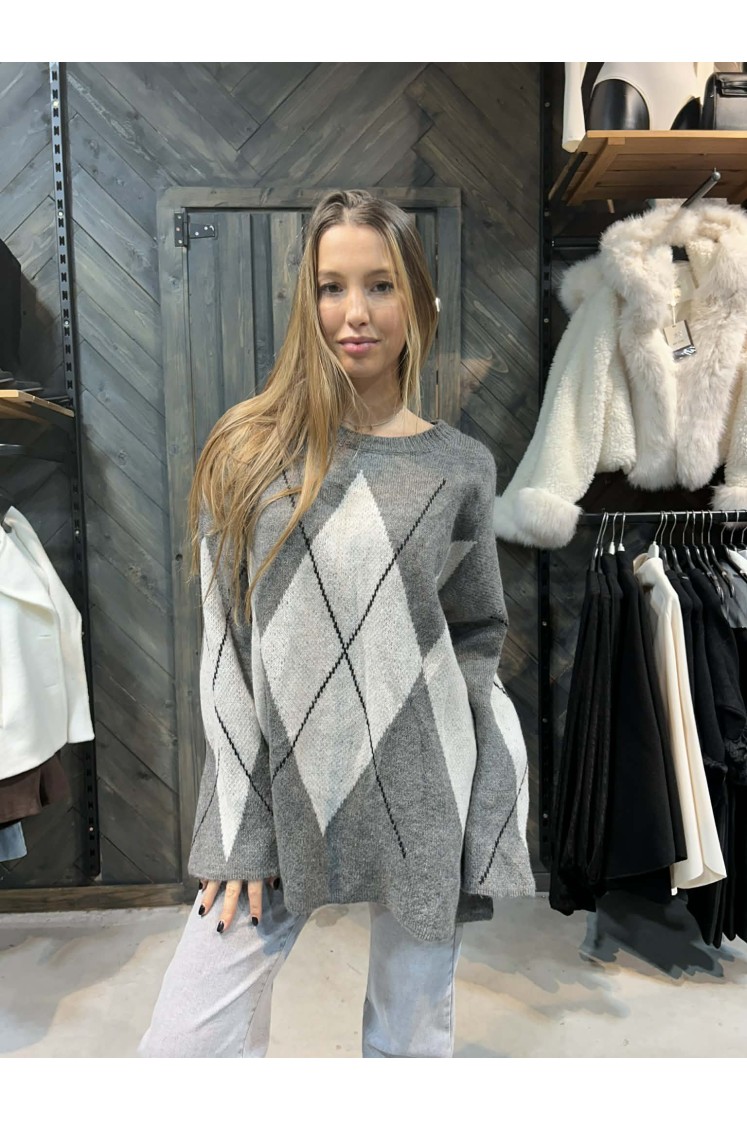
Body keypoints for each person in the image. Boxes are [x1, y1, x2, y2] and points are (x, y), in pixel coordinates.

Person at [137, 188, 533, 1060]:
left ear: (417, 299)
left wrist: (489, 801)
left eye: (380, 285)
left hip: (424, 787)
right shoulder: (246, 450)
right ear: (305, 302)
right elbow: (225, 650)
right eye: (331, 286)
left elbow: (474, 638)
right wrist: (233, 829)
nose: (355, 312)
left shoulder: (460, 466)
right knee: (184, 1048)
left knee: (407, 1046)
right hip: (285, 788)